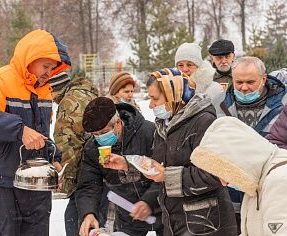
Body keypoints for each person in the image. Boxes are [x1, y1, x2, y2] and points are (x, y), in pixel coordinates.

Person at [0, 29, 71, 236]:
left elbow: (41, 134)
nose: (49, 72)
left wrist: (53, 159)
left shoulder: (44, 91)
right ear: (30, 58)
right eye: (45, 66)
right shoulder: (0, 81)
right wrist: (18, 129)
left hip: (34, 188)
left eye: (53, 68)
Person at [104, 68, 237, 235]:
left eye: (154, 98)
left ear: (173, 95)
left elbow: (216, 173)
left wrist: (167, 175)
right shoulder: (164, 124)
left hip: (207, 224)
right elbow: (160, 165)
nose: (151, 104)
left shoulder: (204, 122)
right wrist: (128, 164)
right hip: (175, 221)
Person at [212, 56, 287, 233]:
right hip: (229, 201)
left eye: (250, 82)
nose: (244, 88)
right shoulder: (217, 103)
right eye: (239, 82)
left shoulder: (284, 104)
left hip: (271, 199)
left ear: (264, 79)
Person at [76, 97, 163, 236]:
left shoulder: (148, 132)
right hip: (128, 217)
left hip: (162, 212)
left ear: (117, 123)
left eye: (103, 132)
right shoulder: (92, 147)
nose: (99, 138)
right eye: (95, 135)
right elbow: (88, 185)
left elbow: (163, 173)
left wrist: (148, 201)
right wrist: (88, 213)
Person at [190, 116, 287, 236]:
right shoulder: (257, 182)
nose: (224, 183)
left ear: (236, 161)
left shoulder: (279, 180)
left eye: (223, 174)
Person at [49, 71, 99, 236]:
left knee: (75, 221)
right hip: (99, 174)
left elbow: (68, 145)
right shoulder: (86, 93)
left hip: (83, 178)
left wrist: (67, 182)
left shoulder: (68, 102)